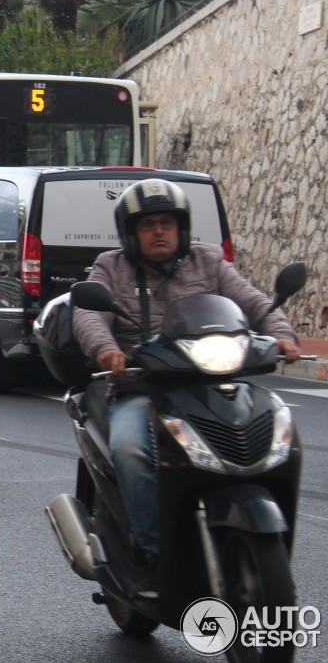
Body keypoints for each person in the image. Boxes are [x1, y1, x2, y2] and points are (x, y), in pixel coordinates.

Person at [73, 178, 300, 566]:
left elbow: (253, 301)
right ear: (131, 233)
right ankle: (152, 551)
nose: (159, 231)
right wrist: (107, 349)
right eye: (148, 224)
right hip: (142, 388)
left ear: (182, 227)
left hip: (211, 382)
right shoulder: (111, 267)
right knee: (131, 450)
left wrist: (281, 336)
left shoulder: (208, 260)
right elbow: (88, 313)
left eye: (166, 222)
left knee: (281, 436)